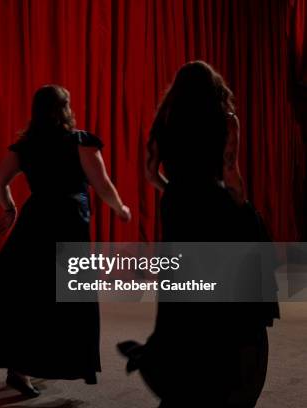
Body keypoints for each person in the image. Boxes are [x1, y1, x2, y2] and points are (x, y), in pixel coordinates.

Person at [118, 61, 280, 407]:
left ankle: (180, 368)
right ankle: (228, 373)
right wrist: (243, 208)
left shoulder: (166, 121)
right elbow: (231, 173)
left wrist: (175, 192)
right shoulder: (226, 120)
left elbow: (150, 174)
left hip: (179, 208)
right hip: (215, 206)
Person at [0, 84, 131, 397]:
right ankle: (50, 363)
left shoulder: (26, 145)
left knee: (29, 294)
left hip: (37, 221)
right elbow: (102, 185)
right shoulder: (80, 141)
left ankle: (19, 368)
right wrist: (121, 209)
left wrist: (9, 207)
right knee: (64, 297)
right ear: (66, 109)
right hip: (68, 221)